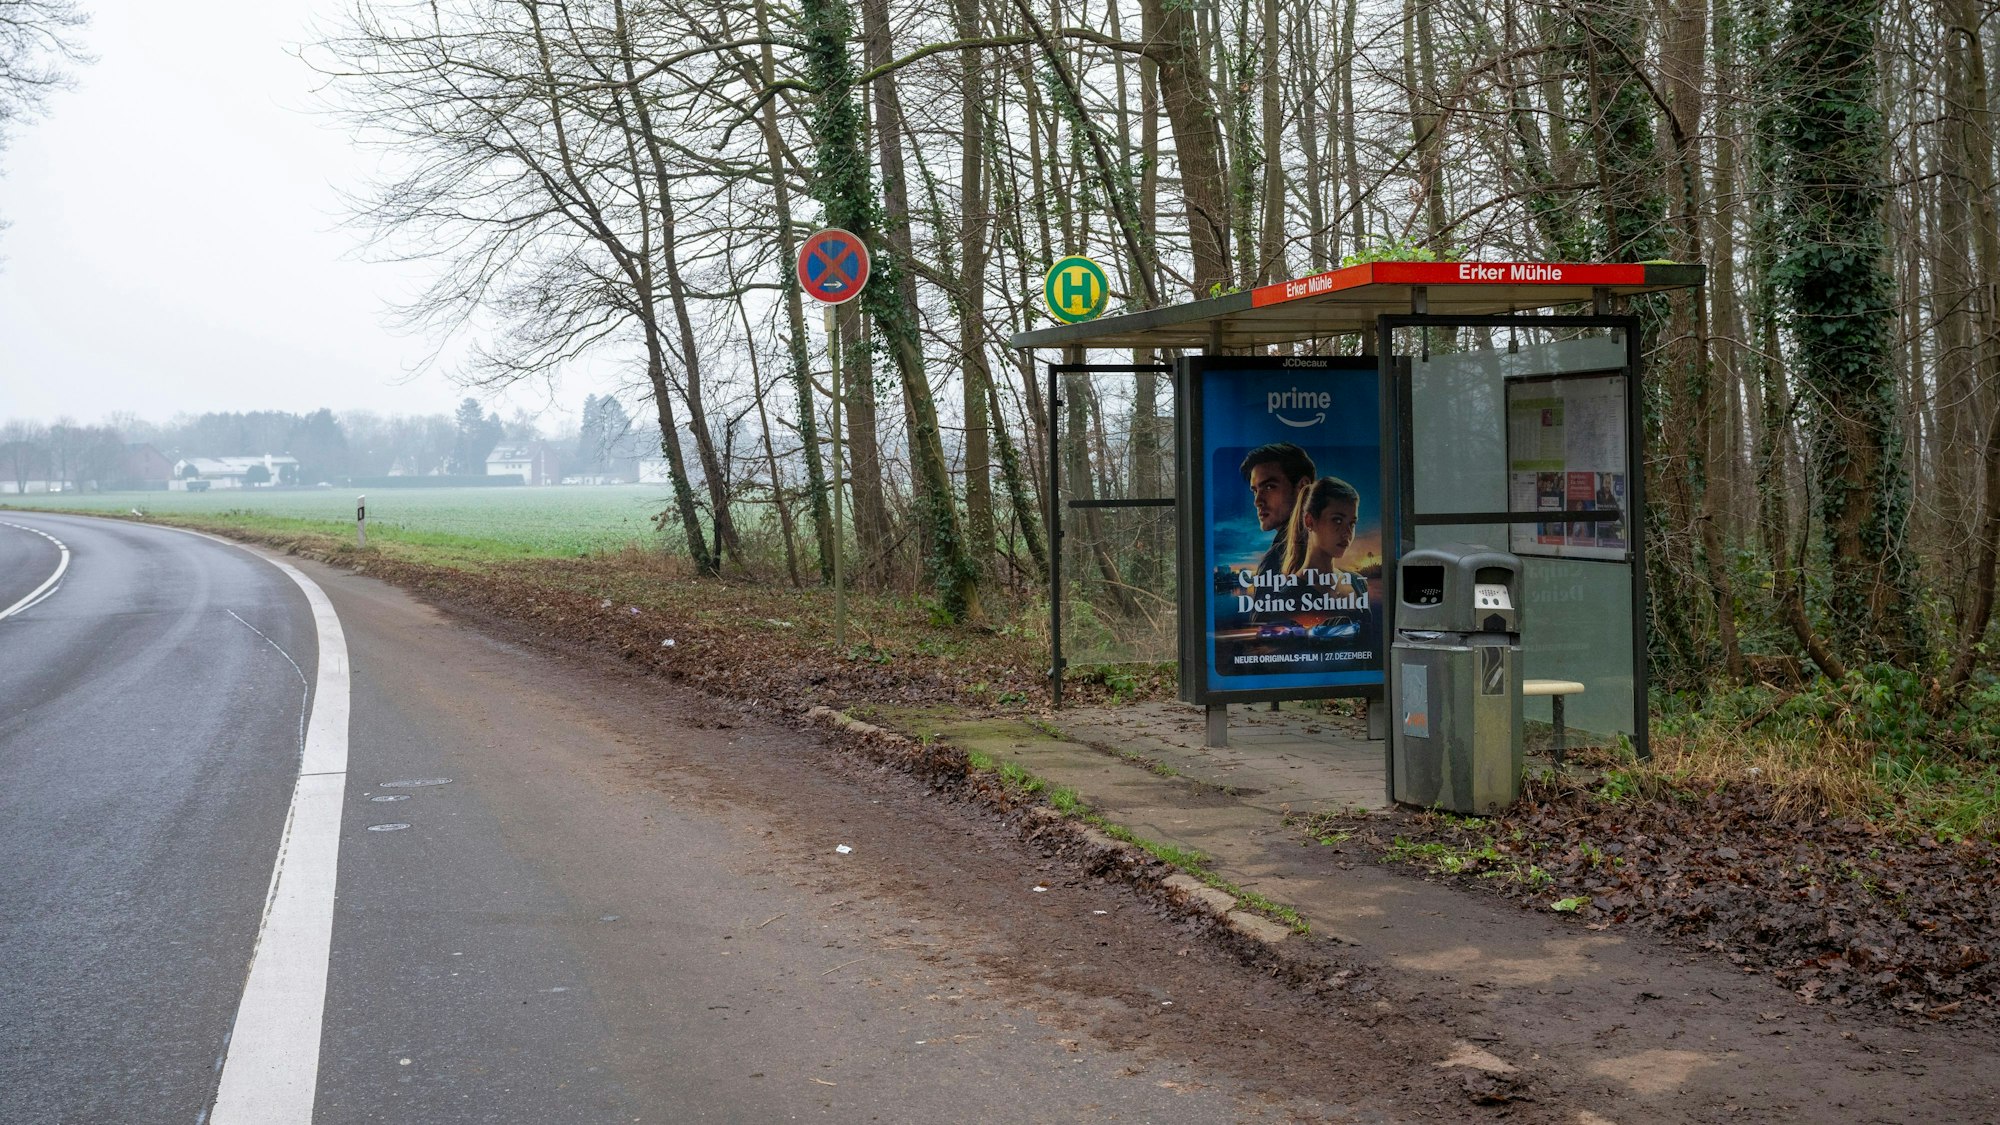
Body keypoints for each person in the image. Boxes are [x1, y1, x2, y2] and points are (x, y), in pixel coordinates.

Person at [1239, 443, 1315, 574]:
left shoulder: (1276, 560)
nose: (1257, 501)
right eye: (1255, 491)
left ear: (1303, 486)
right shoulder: (1326, 545)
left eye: (1269, 487)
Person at [1281, 476, 1361, 590]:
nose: (1347, 533)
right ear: (1309, 521)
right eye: (1337, 520)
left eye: (1352, 524)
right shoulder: (1291, 595)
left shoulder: (1357, 582)